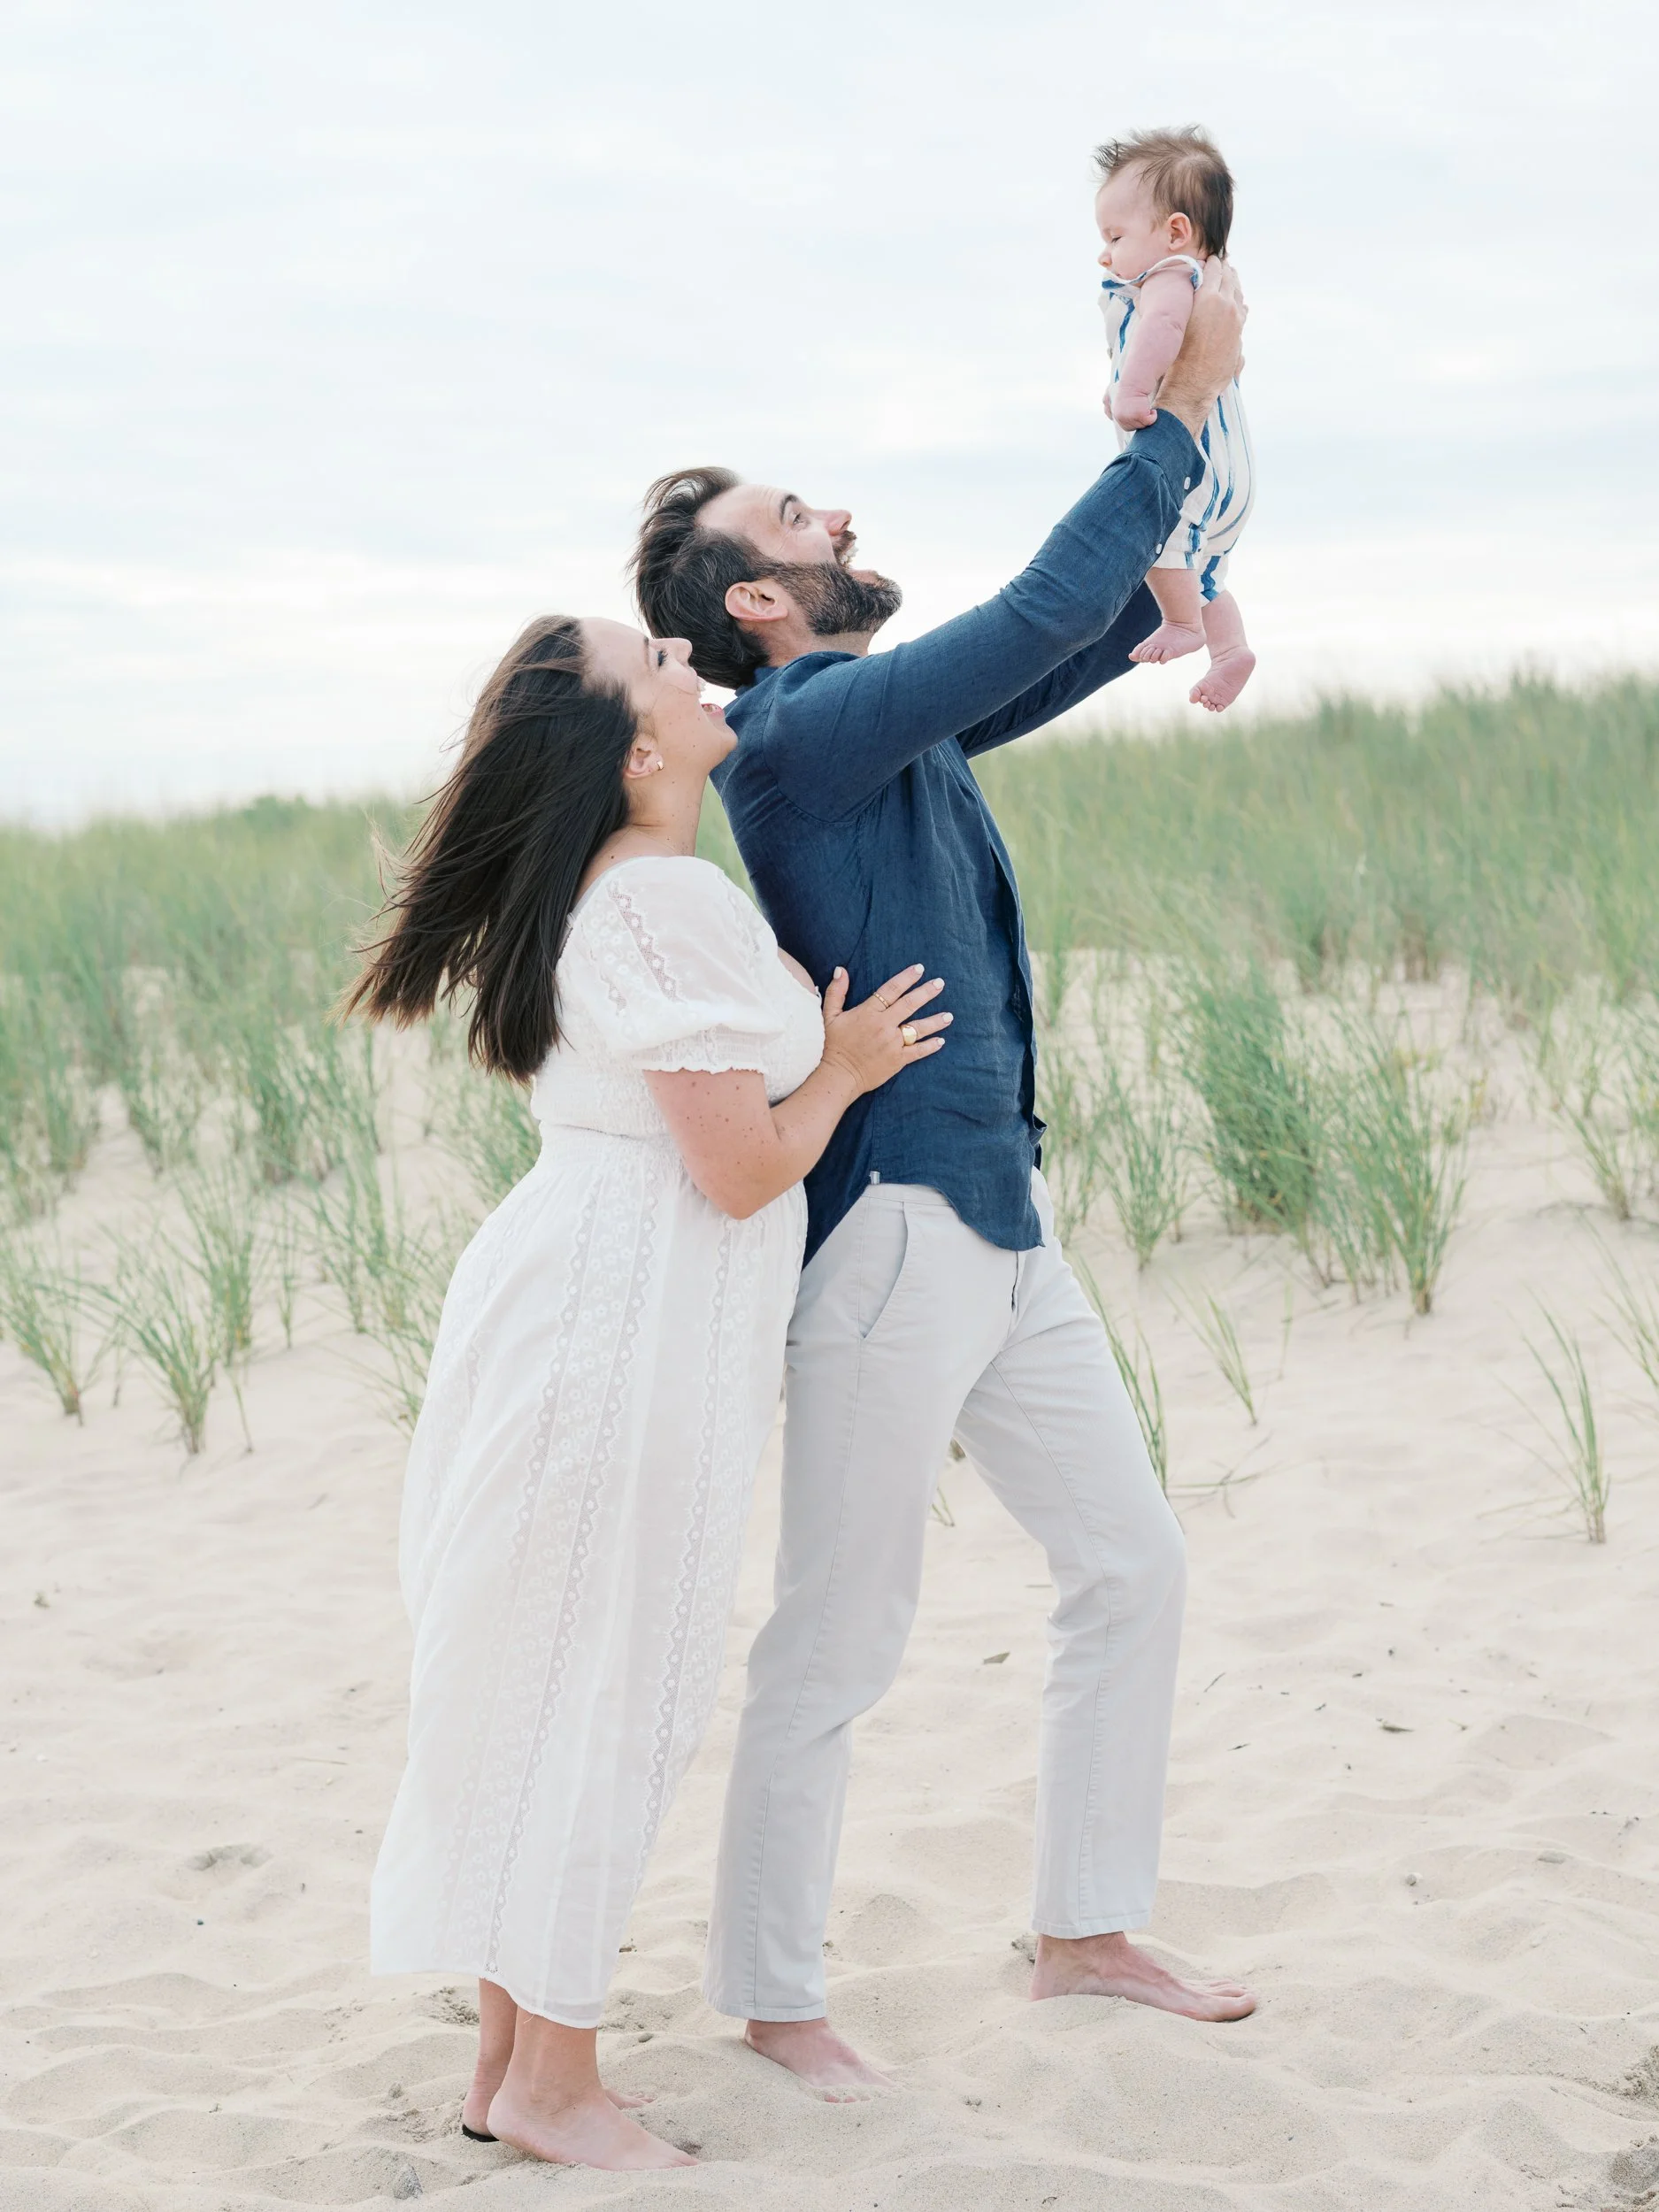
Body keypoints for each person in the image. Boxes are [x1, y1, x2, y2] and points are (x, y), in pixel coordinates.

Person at [631, 261, 1256, 2102]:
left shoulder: (881, 725)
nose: (837, 518)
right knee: (840, 1634)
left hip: (999, 1216)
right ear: (757, 600)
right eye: (795, 516)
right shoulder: (797, 738)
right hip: (894, 1239)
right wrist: (1172, 421)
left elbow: (1070, 639)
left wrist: (1187, 541)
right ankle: (773, 1995)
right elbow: (1036, 613)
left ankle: (1086, 1931)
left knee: (1129, 1562)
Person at [345, 613, 948, 2170]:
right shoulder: (657, 899)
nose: (686, 656)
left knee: (553, 1678)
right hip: (627, 1322)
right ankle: (554, 2084)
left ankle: (508, 2068)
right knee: (608, 1684)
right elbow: (740, 1170)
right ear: (632, 747)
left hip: (603, 1300)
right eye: (658, 663)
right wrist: (845, 1068)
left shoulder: (629, 890)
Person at [1095, 126, 1256, 711]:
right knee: (1205, 571)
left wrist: (1132, 394)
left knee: (1155, 538)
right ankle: (1229, 649)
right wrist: (1119, 385)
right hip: (1230, 473)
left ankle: (1184, 625)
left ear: (1175, 232)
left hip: (1194, 466)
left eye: (1115, 236)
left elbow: (1160, 331)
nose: (1104, 254)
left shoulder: (1169, 276)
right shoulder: (1207, 288)